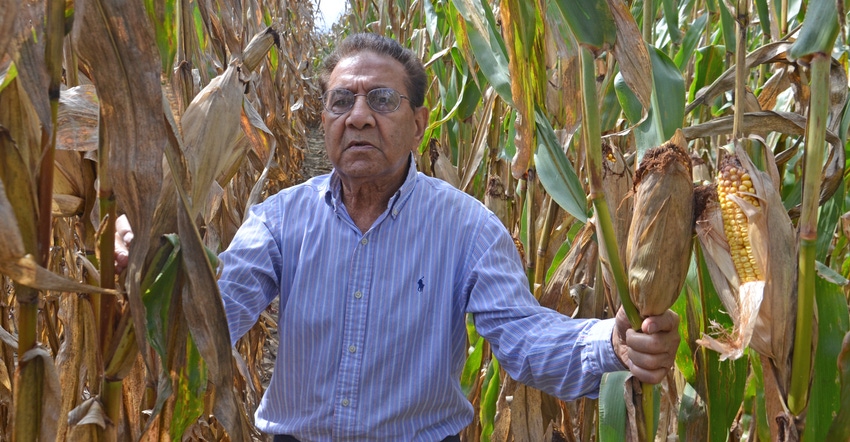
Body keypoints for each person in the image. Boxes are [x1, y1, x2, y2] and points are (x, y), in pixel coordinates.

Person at [116, 33, 679, 441]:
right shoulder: (279, 219)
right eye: (342, 101)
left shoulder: (466, 228)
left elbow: (524, 340)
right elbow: (213, 317)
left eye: (381, 100)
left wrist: (614, 343)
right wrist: (153, 267)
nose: (358, 117)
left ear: (419, 123)